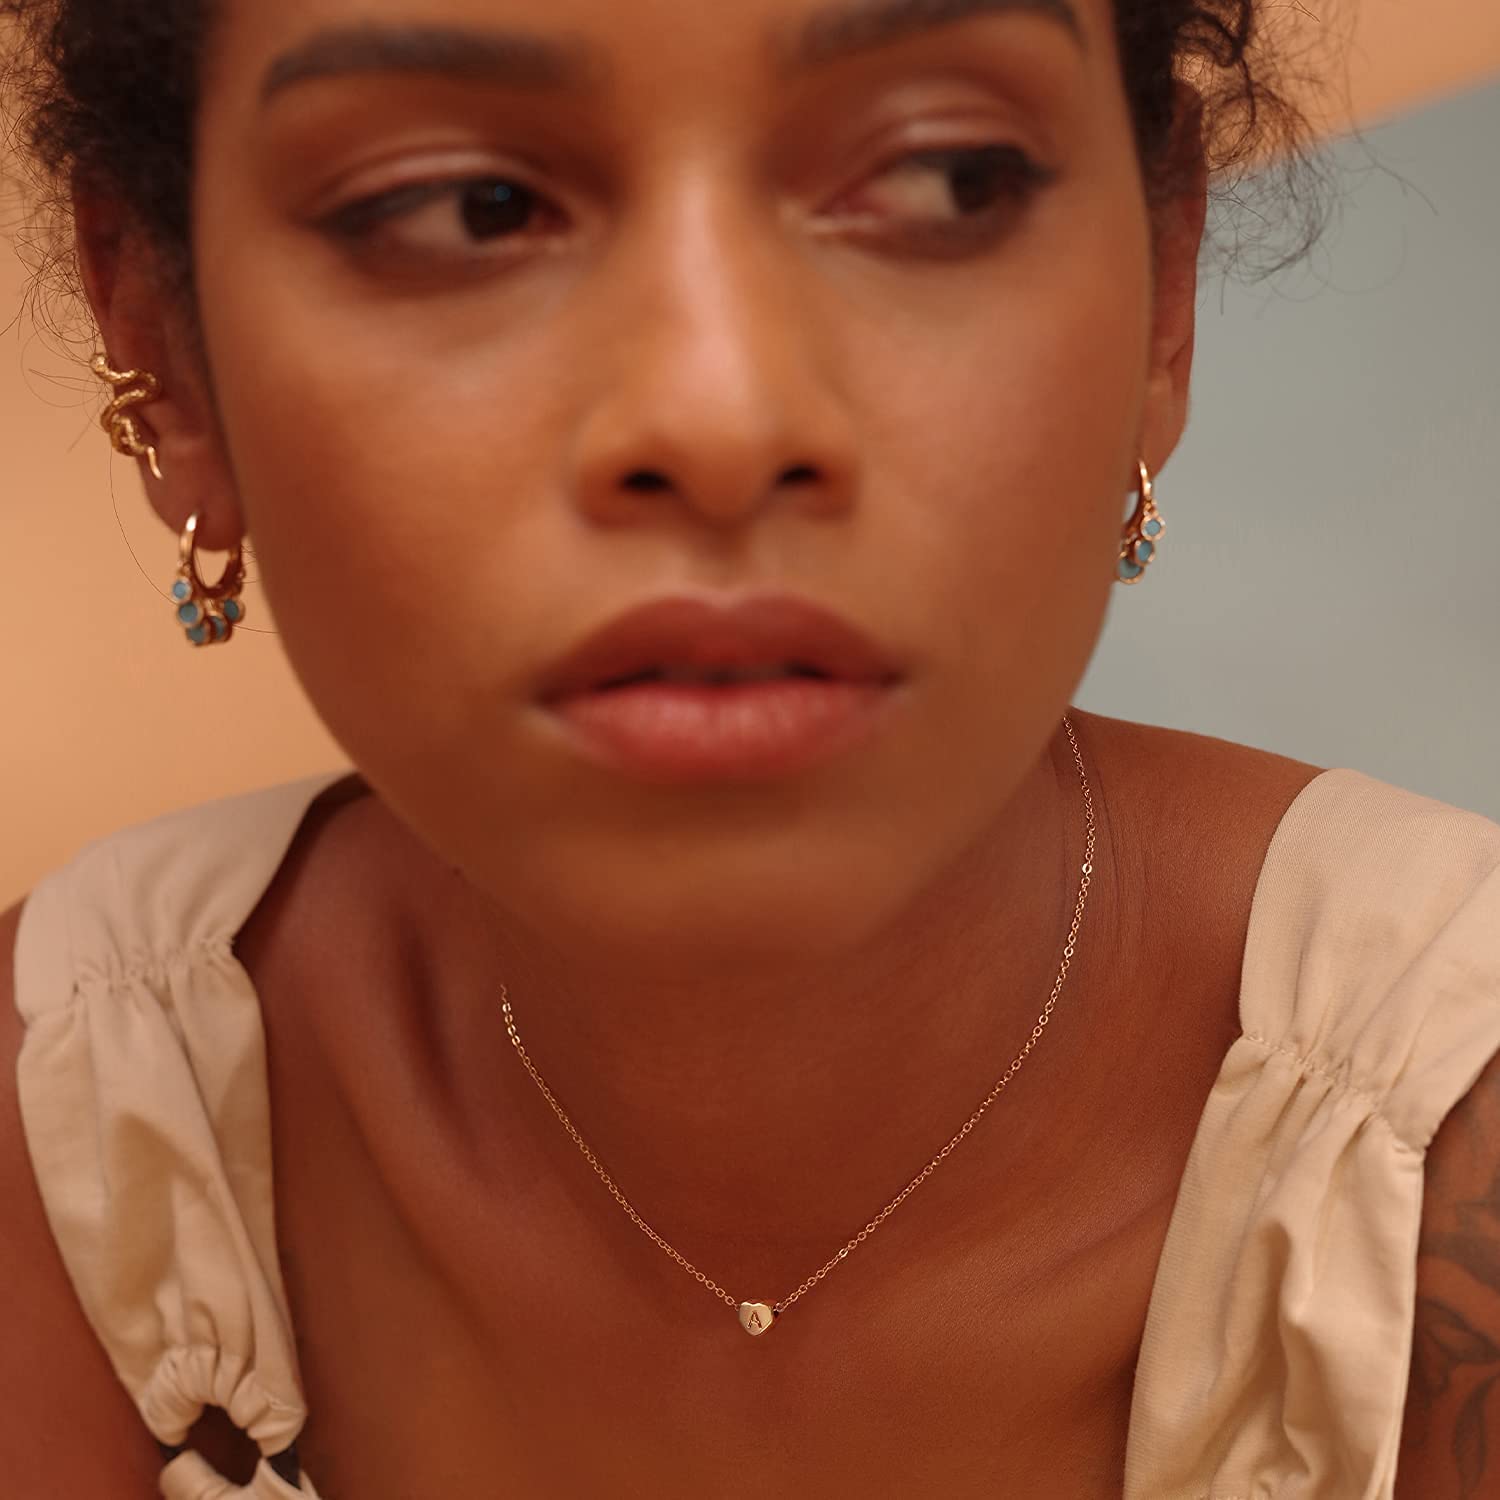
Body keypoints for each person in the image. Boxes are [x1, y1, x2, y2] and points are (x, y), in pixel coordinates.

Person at [2, 0, 1497, 1495]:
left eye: (947, 176)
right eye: (469, 208)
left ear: (1164, 292)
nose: (717, 420)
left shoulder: (1446, 1144)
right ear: (164, 344)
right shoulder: (66, 1139)